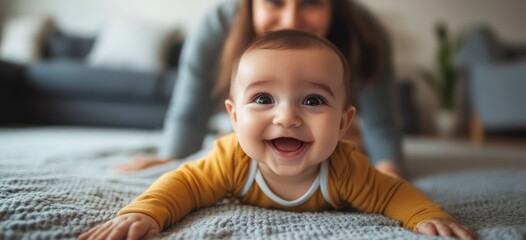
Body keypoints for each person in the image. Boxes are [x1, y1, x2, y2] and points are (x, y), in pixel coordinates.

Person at [81, 30, 475, 240]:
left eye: (314, 100)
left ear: (342, 124)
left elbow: (391, 192)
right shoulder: (232, 158)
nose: (286, 117)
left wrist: (426, 214)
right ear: (234, 118)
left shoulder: (345, 169)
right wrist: (144, 210)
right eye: (264, 98)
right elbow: (184, 182)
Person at [115, 0, 405, 178]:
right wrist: (172, 156)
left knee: (351, 146)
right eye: (275, 1)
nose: (291, 19)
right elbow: (190, 113)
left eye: (312, 2)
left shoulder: (364, 34)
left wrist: (388, 168)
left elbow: (382, 123)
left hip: (344, 135)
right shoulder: (216, 27)